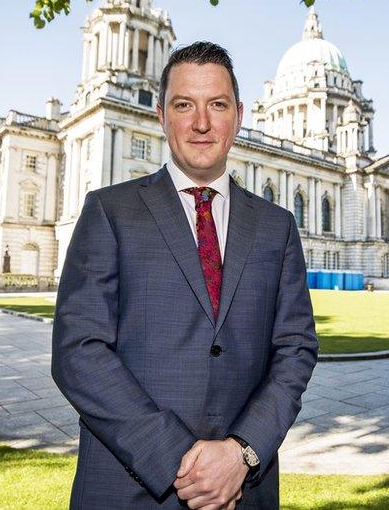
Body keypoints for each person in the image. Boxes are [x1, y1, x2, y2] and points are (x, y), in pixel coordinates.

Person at [52, 41, 318, 509]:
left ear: (238, 114)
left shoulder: (277, 226)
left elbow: (294, 348)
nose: (201, 122)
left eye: (216, 105)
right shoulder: (109, 211)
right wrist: (182, 461)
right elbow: (79, 351)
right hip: (128, 487)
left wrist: (241, 452)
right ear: (161, 115)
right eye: (183, 105)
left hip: (244, 489)